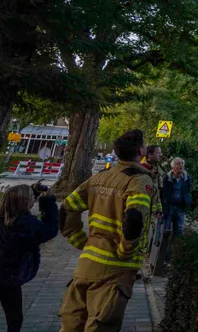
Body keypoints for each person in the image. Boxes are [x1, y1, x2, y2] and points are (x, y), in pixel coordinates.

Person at [57, 129, 156, 332]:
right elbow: (135, 218)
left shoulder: (100, 177)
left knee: (71, 324)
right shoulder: (139, 180)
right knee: (101, 324)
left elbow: (67, 208)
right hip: (114, 271)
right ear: (140, 151)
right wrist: (126, 252)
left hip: (86, 265)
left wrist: (79, 240)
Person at [0, 182, 59, 332]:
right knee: (14, 318)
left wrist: (33, 191)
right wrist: (48, 202)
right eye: (32, 197)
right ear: (25, 202)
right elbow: (50, 229)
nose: (34, 199)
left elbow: (16, 199)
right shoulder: (26, 224)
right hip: (8, 278)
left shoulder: (4, 218)